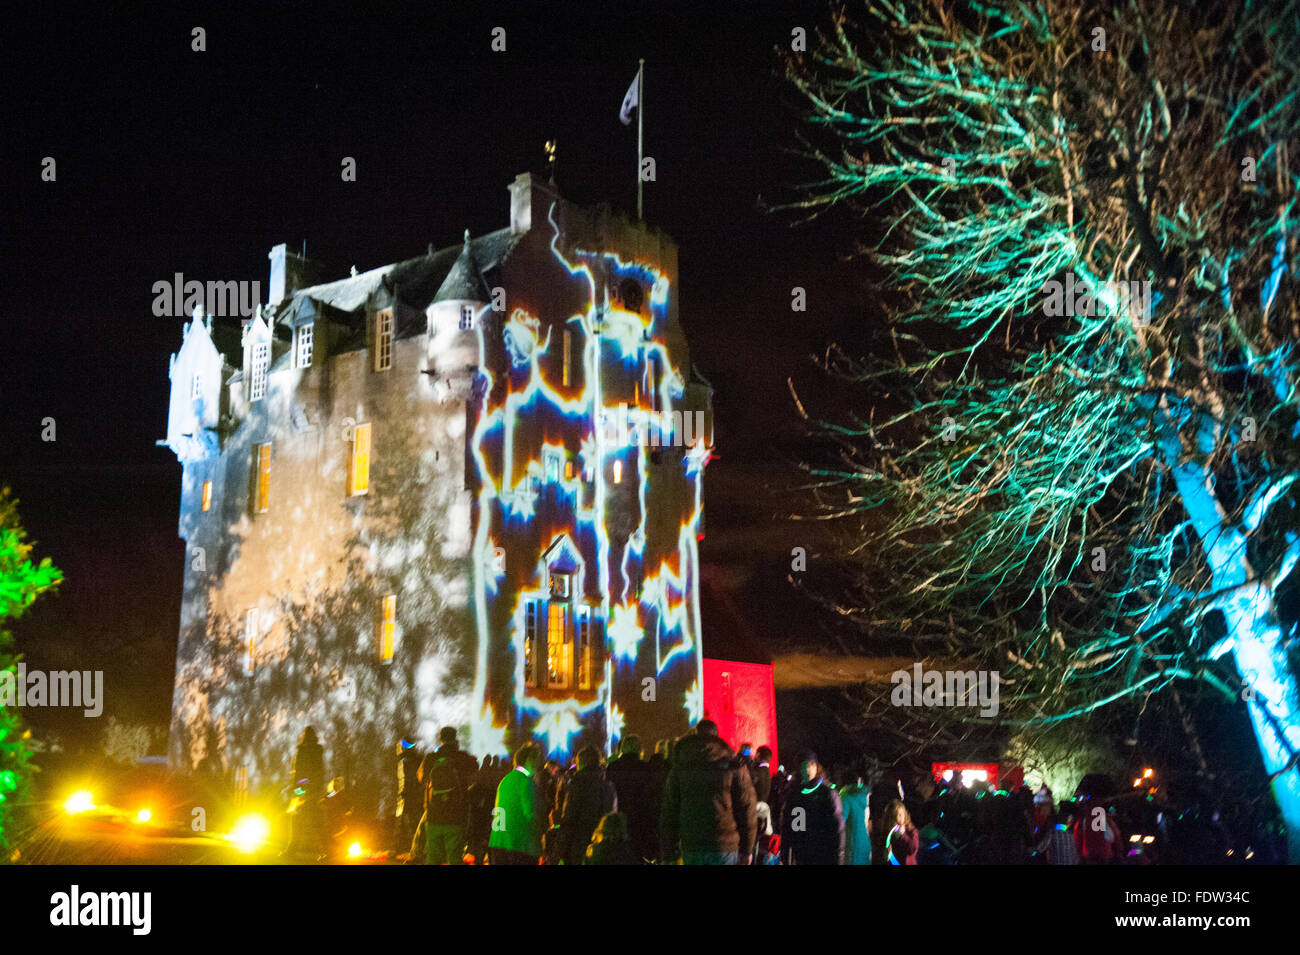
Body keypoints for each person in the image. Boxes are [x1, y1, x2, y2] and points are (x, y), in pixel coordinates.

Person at [659, 720, 757, 865]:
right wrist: (747, 849)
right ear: (716, 737)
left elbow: (670, 810)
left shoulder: (680, 765)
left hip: (692, 844)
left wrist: (668, 851)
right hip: (725, 844)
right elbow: (747, 807)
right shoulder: (733, 764)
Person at [419, 726, 477, 864]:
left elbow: (421, 777)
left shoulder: (431, 758)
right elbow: (475, 768)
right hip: (455, 816)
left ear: (440, 739)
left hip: (433, 815)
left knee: (433, 857)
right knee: (455, 857)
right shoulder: (462, 757)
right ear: (455, 738)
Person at [554, 746, 617, 865]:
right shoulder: (608, 786)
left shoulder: (577, 785)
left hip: (579, 846)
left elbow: (569, 818)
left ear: (581, 762)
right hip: (602, 847)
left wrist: (561, 851)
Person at [780, 754, 845, 865]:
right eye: (803, 766)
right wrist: (785, 855)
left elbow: (838, 829)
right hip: (802, 855)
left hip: (824, 855)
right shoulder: (794, 794)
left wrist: (839, 857)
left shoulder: (827, 793)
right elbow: (789, 828)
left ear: (817, 767)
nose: (807, 770)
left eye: (811, 765)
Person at [489, 743, 544, 865]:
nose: (538, 765)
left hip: (498, 841)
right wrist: (540, 838)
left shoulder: (505, 780)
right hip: (520, 845)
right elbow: (531, 814)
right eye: (536, 760)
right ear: (529, 760)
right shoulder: (526, 782)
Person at [606, 735, 656, 862]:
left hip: (617, 819)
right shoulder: (645, 768)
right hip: (640, 819)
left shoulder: (612, 768)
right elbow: (650, 796)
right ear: (639, 749)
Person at [288, 726, 328, 858]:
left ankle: (292, 850)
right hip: (312, 791)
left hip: (304, 791)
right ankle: (325, 852)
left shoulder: (303, 750)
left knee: (298, 820)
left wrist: (300, 790)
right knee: (316, 822)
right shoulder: (317, 751)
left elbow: (300, 773)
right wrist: (315, 790)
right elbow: (319, 773)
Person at [394, 737, 422, 854]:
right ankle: (409, 848)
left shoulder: (408, 761)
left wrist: (406, 792)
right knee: (409, 823)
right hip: (409, 796)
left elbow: (409, 778)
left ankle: (413, 849)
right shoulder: (412, 760)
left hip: (409, 796)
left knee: (410, 823)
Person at [840, 769, 872, 865]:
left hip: (852, 846)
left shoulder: (845, 798)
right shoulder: (865, 797)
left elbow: (840, 822)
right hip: (865, 843)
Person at [883, 799, 919, 865]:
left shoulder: (911, 831)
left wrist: (903, 836)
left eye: (900, 815)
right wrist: (885, 856)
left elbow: (913, 849)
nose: (897, 819)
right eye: (894, 816)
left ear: (904, 814)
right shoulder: (888, 835)